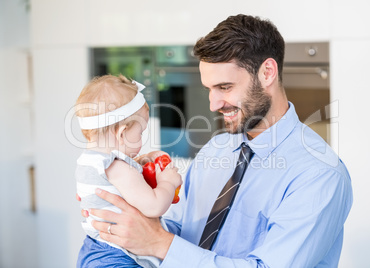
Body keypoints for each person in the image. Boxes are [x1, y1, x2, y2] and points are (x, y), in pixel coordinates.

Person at [85, 14, 353, 267]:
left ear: (267, 73)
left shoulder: (319, 175)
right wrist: (129, 206)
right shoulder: (216, 149)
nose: (214, 104)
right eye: (209, 89)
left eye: (225, 87)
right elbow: (179, 230)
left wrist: (159, 243)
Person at [74, 74, 182, 268]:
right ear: (122, 133)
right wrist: (168, 182)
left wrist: (141, 161)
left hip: (95, 248)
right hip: (117, 255)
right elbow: (154, 206)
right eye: (140, 133)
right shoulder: (117, 168)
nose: (141, 140)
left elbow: (122, 180)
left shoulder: (89, 161)